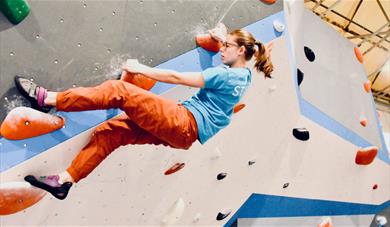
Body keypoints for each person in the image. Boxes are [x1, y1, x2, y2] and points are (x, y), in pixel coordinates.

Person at [17, 28, 273, 200]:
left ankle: (47, 99)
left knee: (119, 90)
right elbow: (235, 60)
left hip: (182, 121)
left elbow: (177, 77)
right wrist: (229, 38)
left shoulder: (226, 74)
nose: (221, 49)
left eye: (227, 46)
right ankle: (64, 180)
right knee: (112, 133)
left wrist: (140, 68)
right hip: (184, 137)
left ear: (241, 51)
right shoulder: (245, 77)